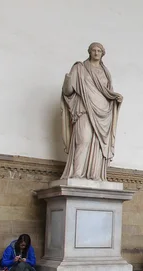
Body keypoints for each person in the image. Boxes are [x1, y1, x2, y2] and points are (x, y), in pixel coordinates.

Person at [61, 42, 123, 181]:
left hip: (103, 113)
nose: (96, 53)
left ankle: (95, 175)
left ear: (102, 54)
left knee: (98, 145)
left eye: (99, 51)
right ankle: (77, 173)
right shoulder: (80, 68)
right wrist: (67, 80)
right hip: (85, 109)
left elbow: (107, 92)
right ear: (89, 52)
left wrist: (115, 98)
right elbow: (68, 92)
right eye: (93, 50)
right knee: (83, 140)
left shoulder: (105, 72)